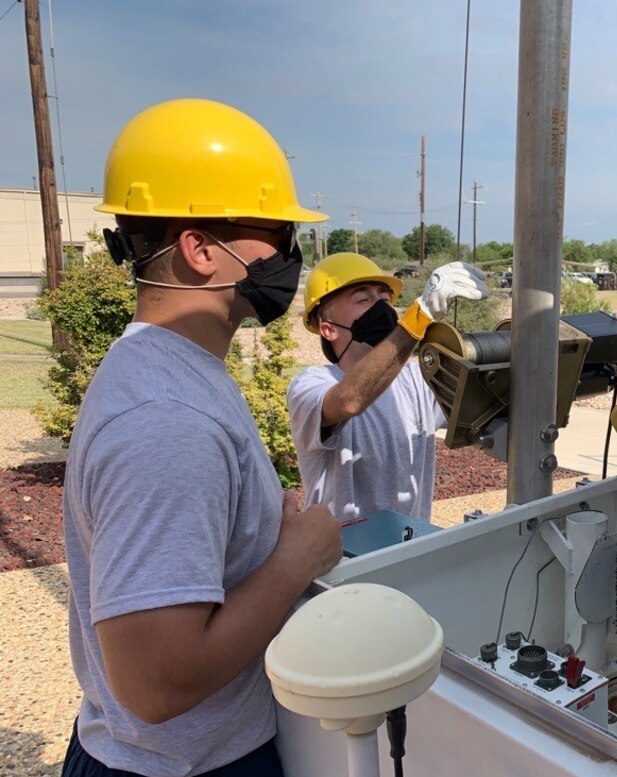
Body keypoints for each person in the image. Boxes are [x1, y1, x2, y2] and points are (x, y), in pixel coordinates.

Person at [62, 98, 343, 777]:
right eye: (276, 231)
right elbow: (156, 682)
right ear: (199, 248)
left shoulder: (173, 368)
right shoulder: (165, 419)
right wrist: (295, 559)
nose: (290, 254)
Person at [288, 252, 488, 523]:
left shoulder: (417, 379)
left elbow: (486, 404)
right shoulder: (311, 386)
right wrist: (420, 317)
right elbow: (349, 401)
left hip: (410, 552)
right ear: (328, 329)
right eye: (363, 298)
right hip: (343, 559)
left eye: (384, 298)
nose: (381, 306)